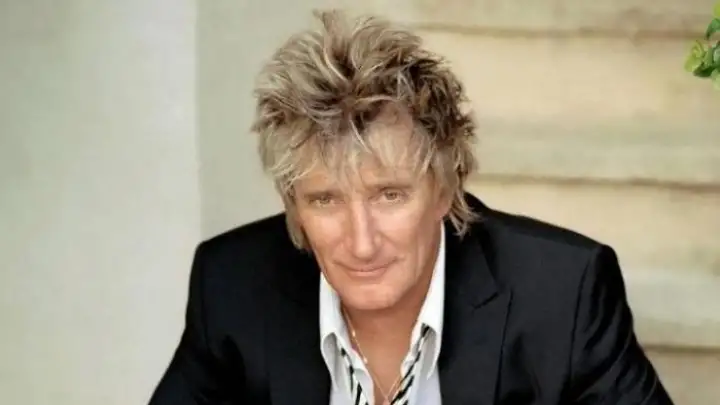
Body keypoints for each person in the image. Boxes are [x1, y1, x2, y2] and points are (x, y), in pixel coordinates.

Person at [149, 10, 673, 405]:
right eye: (325, 200)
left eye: (390, 195)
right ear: (294, 207)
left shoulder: (562, 294)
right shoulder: (233, 287)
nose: (361, 242)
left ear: (445, 190)